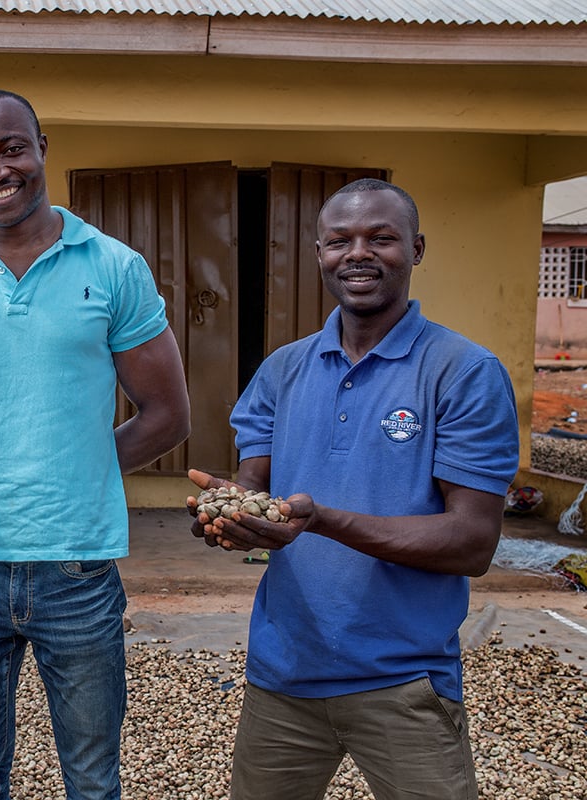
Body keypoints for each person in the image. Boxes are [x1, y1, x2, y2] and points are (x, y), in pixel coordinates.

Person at [0, 89, 192, 800]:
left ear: (42, 148)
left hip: (79, 569)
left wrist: (79, 467)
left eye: (10, 149)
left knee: (91, 779)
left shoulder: (114, 266)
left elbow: (167, 414)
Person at [188, 178, 520, 799]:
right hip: (282, 675)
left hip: (405, 679)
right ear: (318, 254)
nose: (358, 253)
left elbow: (472, 542)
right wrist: (228, 516)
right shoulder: (282, 369)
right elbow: (254, 487)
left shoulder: (464, 372)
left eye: (381, 238)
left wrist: (321, 520)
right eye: (340, 240)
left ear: (416, 249)